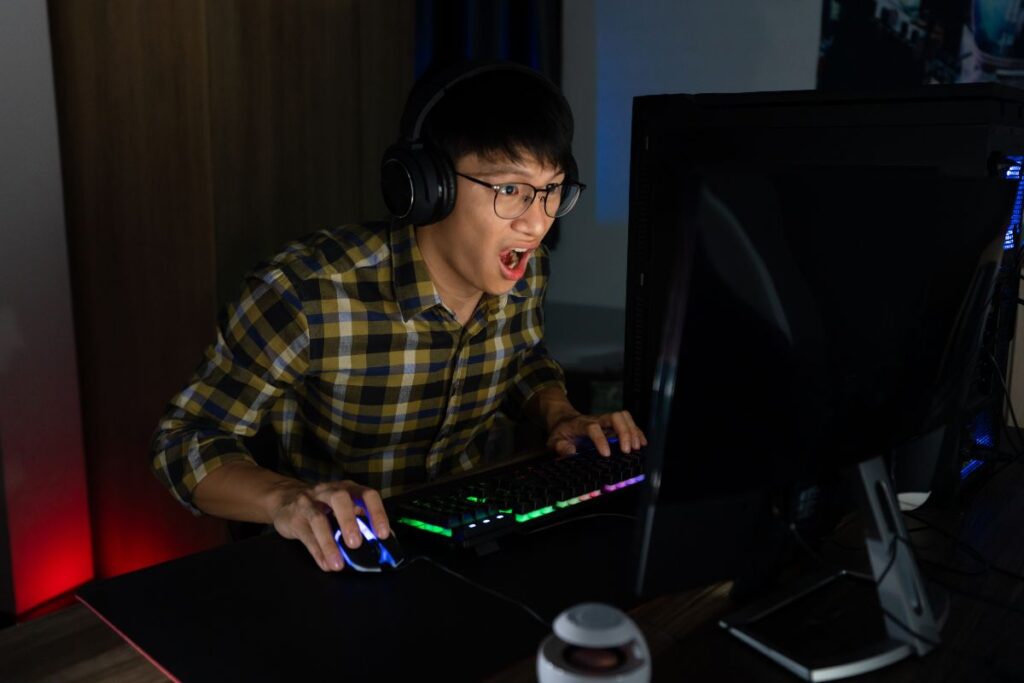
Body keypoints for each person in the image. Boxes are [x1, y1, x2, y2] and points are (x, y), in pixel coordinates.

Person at [150, 61, 647, 573]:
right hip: (334, 561)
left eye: (550, 190)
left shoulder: (527, 270)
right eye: (510, 190)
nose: (536, 222)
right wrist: (285, 499)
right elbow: (184, 440)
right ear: (427, 186)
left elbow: (522, 358)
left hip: (463, 541)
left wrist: (560, 415)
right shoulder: (307, 292)